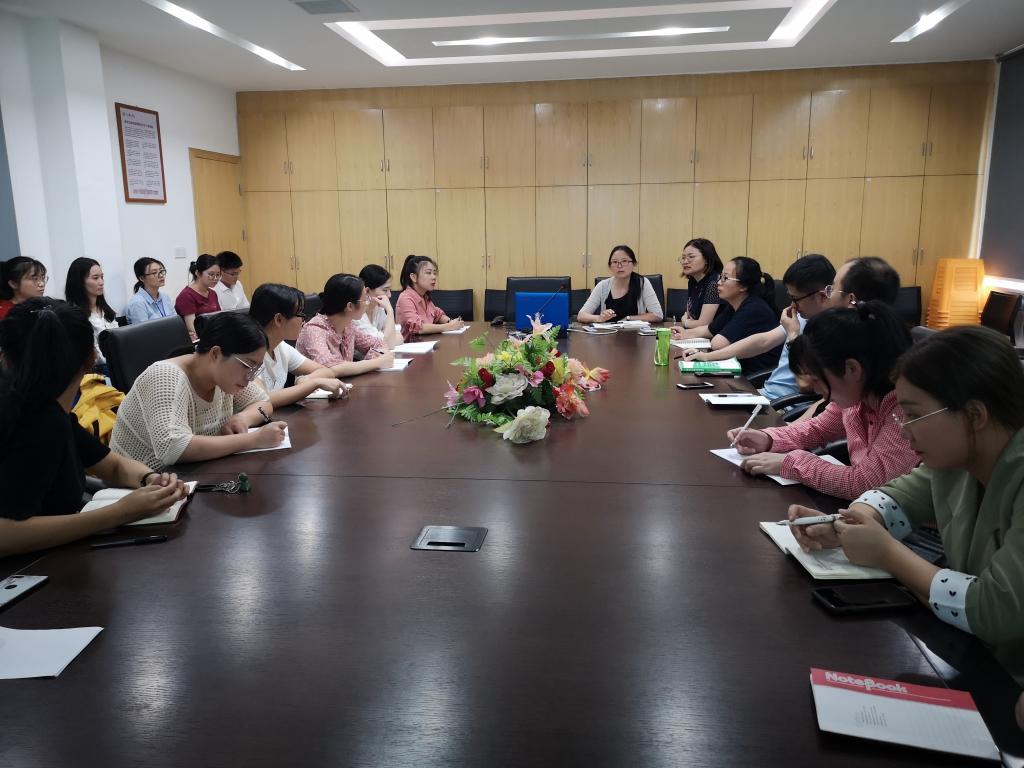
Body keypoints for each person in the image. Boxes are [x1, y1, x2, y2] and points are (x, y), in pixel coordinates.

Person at [788, 326, 1024, 679]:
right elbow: (895, 496)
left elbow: (993, 609)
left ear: (975, 415)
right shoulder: (959, 459)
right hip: (972, 656)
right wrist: (847, 523)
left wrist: (887, 554)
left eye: (913, 415)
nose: (902, 429)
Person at [0, 299, 186, 557]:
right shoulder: (40, 422)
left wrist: (150, 479)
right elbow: (6, 533)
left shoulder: (46, 410)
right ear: (91, 358)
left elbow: (112, 465)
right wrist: (120, 513)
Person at [729, 301, 919, 500]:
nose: (814, 388)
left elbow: (866, 483)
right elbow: (818, 429)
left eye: (817, 379)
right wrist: (768, 439)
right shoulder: (856, 395)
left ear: (852, 369)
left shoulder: (905, 409)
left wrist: (792, 463)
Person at [686, 255, 900, 401]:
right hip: (771, 398)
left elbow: (807, 385)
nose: (828, 293)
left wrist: (793, 335)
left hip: (787, 405)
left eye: (832, 288)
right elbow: (762, 341)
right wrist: (707, 358)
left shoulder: (833, 332)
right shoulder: (803, 318)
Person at [110, 312, 286, 469]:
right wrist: (253, 440)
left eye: (255, 369)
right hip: (141, 484)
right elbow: (173, 448)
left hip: (193, 474)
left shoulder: (222, 377)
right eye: (248, 366)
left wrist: (243, 418)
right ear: (216, 353)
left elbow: (262, 402)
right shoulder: (165, 376)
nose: (250, 377)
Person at [672, 256, 782, 374]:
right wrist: (685, 334)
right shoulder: (734, 304)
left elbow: (718, 344)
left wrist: (704, 355)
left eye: (725, 278)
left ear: (743, 286)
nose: (718, 282)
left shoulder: (754, 308)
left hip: (753, 376)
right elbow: (710, 330)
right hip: (736, 368)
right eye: (720, 277)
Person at [248, 283, 347, 406]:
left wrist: (306, 379)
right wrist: (314, 384)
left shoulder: (280, 346)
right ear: (279, 319)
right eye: (300, 314)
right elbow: (264, 400)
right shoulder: (247, 352)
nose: (303, 320)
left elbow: (327, 371)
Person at [297, 274, 396, 377]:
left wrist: (374, 356)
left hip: (343, 383)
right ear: (350, 306)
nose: (368, 303)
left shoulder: (348, 326)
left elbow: (378, 343)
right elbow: (330, 367)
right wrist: (376, 362)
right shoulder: (315, 330)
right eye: (365, 299)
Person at [577, 245, 664, 324]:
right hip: (608, 334)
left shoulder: (642, 283)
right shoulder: (603, 286)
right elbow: (581, 315)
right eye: (615, 262)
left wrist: (628, 318)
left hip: (635, 333)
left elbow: (658, 315)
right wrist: (599, 318)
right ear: (610, 266)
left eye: (624, 261)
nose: (619, 266)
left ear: (634, 264)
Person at [64, 257, 118, 374]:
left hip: (117, 363)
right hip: (98, 370)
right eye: (95, 278)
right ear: (79, 282)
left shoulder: (105, 309)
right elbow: (92, 355)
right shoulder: (74, 315)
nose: (101, 282)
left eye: (102, 277)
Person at [394, 255, 465, 340]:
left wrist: (450, 321)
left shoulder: (425, 296)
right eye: (428, 273)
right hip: (410, 345)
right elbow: (419, 327)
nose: (434, 277)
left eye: (434, 273)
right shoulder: (405, 298)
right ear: (414, 277)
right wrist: (449, 326)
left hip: (426, 342)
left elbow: (437, 315)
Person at [676, 238, 724, 329]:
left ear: (706, 259)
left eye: (691, 257)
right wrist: (688, 321)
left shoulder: (714, 284)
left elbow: (703, 324)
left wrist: (685, 322)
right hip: (696, 334)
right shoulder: (693, 280)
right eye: (683, 258)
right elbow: (690, 315)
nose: (685, 262)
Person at [355, 263, 403, 348]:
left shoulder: (378, 308)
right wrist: (390, 310)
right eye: (385, 290)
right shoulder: (357, 315)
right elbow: (387, 343)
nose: (389, 295)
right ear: (367, 291)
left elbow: (399, 336)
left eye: (390, 290)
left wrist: (388, 338)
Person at [175, 254, 221, 341]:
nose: (215, 278)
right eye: (211, 274)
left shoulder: (213, 293)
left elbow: (219, 318)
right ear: (198, 273)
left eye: (218, 274)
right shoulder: (186, 296)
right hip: (200, 340)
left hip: (215, 335)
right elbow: (193, 329)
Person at [125, 258, 176, 324]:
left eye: (161, 271)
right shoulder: (137, 303)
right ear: (142, 278)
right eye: (154, 273)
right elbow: (143, 329)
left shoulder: (165, 297)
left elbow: (175, 321)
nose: (161, 275)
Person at [0, 257, 48, 321]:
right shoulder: (4, 313)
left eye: (43, 278)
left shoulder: (45, 307)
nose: (42, 284)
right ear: (13, 284)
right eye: (35, 279)